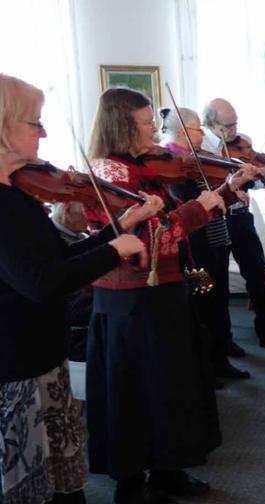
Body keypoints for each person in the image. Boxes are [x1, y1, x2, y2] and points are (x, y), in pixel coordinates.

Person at [0, 73, 152, 504]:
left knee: (62, 483)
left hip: (42, 354)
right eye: (34, 122)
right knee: (33, 489)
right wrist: (113, 251)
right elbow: (42, 283)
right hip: (15, 365)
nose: (43, 132)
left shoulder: (19, 193)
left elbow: (58, 261)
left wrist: (117, 231)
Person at [88, 87, 228, 503]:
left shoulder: (146, 167)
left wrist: (214, 199)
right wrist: (199, 209)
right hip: (129, 297)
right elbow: (149, 235)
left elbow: (167, 221)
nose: (155, 130)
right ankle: (129, 478)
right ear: (122, 126)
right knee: (133, 387)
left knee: (170, 384)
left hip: (164, 291)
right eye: (147, 124)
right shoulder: (108, 173)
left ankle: (168, 468)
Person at [161, 106, 263, 381]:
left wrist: (230, 187)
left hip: (214, 238)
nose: (201, 135)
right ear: (184, 131)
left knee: (218, 297)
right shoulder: (170, 163)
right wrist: (220, 190)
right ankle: (208, 363)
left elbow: (212, 198)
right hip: (196, 247)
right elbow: (186, 203)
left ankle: (221, 351)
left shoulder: (196, 158)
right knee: (203, 301)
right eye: (198, 130)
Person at [201, 98, 265, 352]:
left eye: (235, 124)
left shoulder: (241, 145)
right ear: (210, 123)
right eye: (227, 126)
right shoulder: (200, 147)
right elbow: (199, 187)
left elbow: (252, 180)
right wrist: (228, 190)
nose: (234, 131)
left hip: (240, 217)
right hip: (216, 222)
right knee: (217, 283)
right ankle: (224, 341)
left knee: (258, 273)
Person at [51, 201, 97, 362]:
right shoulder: (54, 241)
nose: (94, 216)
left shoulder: (80, 236)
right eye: (88, 209)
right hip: (75, 330)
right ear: (68, 210)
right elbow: (74, 301)